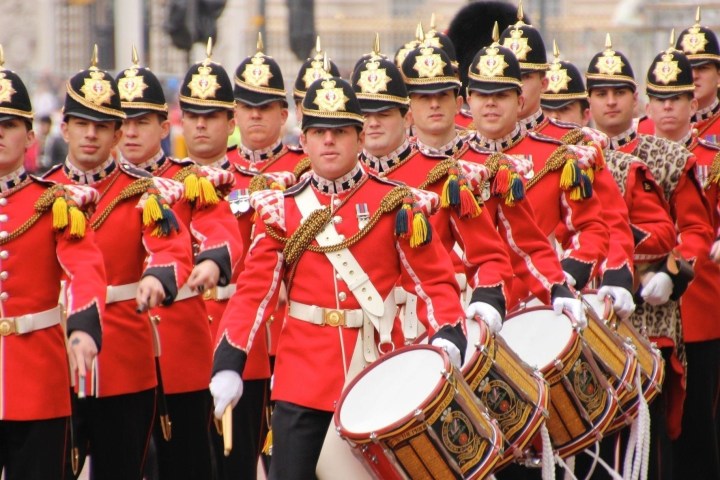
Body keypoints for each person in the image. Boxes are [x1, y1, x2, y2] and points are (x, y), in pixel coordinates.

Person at [210, 74, 469, 480]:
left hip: (374, 370)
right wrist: (229, 360)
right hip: (301, 381)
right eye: (318, 132)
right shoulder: (281, 209)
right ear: (305, 139)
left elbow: (434, 281)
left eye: (340, 132)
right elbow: (254, 291)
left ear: (360, 137)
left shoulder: (393, 203)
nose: (328, 141)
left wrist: (449, 333)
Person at [45, 47, 194, 479]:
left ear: (115, 135)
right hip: (56, 359)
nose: (91, 135)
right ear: (65, 128)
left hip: (125, 356)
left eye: (102, 126)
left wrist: (157, 278)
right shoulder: (43, 195)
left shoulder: (144, 192)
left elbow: (170, 246)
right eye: (82, 124)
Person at [586, 35, 714, 480]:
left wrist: (672, 273)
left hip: (653, 313)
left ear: (632, 97)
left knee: (652, 444)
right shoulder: (569, 157)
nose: (610, 102)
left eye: (619, 92)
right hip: (588, 320)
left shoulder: (666, 156)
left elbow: (693, 230)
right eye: (600, 94)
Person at [116, 49, 243, 480]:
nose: (131, 133)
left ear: (163, 126)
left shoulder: (187, 180)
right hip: (111, 354)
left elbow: (221, 228)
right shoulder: (83, 191)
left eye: (142, 122)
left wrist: (212, 261)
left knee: (186, 464)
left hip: (178, 353)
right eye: (125, 122)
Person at [353, 40, 511, 336]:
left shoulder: (447, 177)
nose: (372, 124)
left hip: (439, 321)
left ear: (405, 117)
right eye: (364, 115)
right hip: (359, 335)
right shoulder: (329, 187)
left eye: (384, 114)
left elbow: (491, 253)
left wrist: (488, 299)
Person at [0, 53, 106, 480]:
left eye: (8, 126)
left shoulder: (56, 203)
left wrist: (83, 327)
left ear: (30, 137)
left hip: (37, 380)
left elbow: (85, 268)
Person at [462, 33, 609, 303]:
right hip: (470, 308)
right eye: (482, 94)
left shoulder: (560, 157)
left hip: (541, 304)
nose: (491, 102)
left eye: (501, 95)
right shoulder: (450, 166)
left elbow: (591, 227)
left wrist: (567, 276)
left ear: (519, 102)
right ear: (468, 99)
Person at [642, 40, 720, 480]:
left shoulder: (711, 156)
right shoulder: (630, 157)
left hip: (698, 306)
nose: (668, 109)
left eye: (677, 99)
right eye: (660, 99)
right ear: (648, 103)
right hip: (644, 310)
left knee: (698, 430)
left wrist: (675, 269)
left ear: (694, 102)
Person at [676, 6, 720, 143]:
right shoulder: (647, 127)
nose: (694, 76)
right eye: (687, 68)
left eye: (703, 68)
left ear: (719, 74)